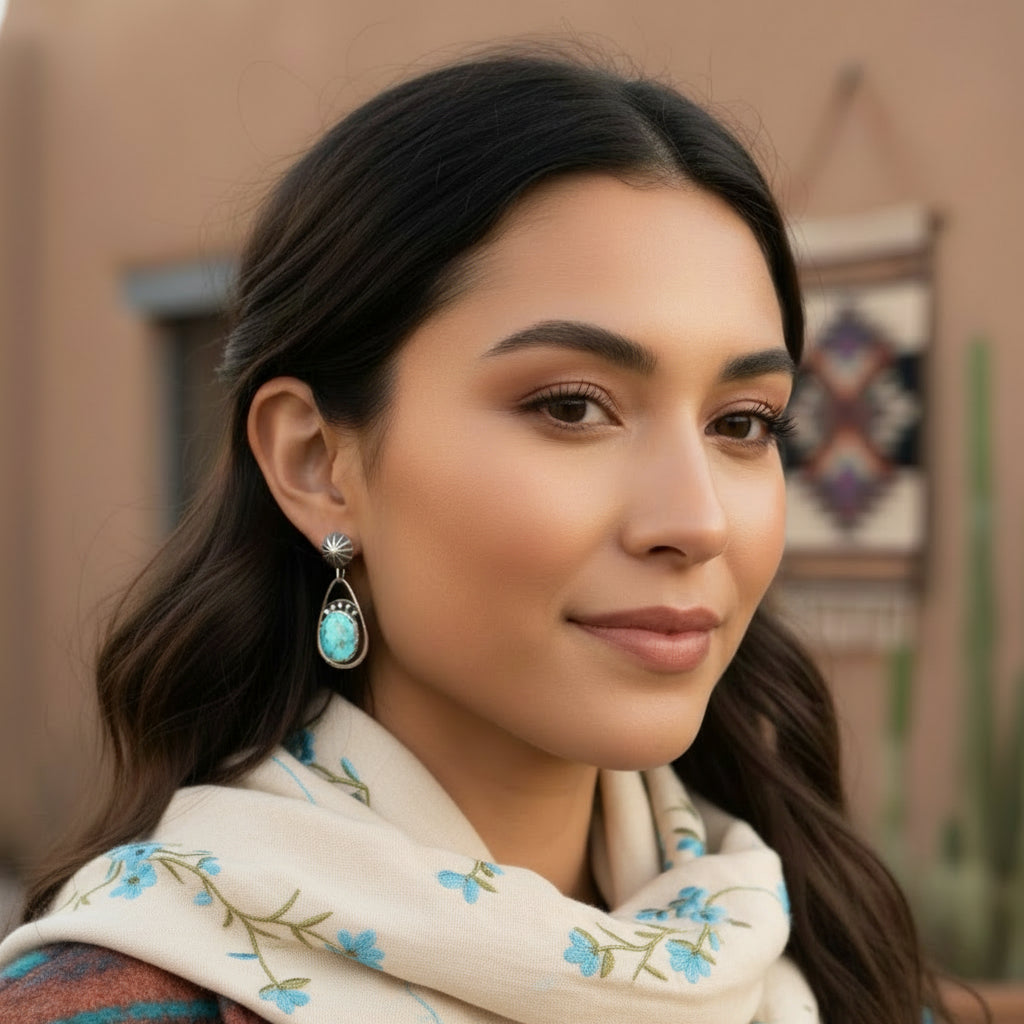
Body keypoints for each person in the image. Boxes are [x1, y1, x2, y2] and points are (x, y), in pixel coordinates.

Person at [0, 49, 953, 1023]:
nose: (697, 519)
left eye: (743, 422)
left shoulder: (828, 975)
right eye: (572, 406)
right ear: (317, 462)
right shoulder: (115, 1005)